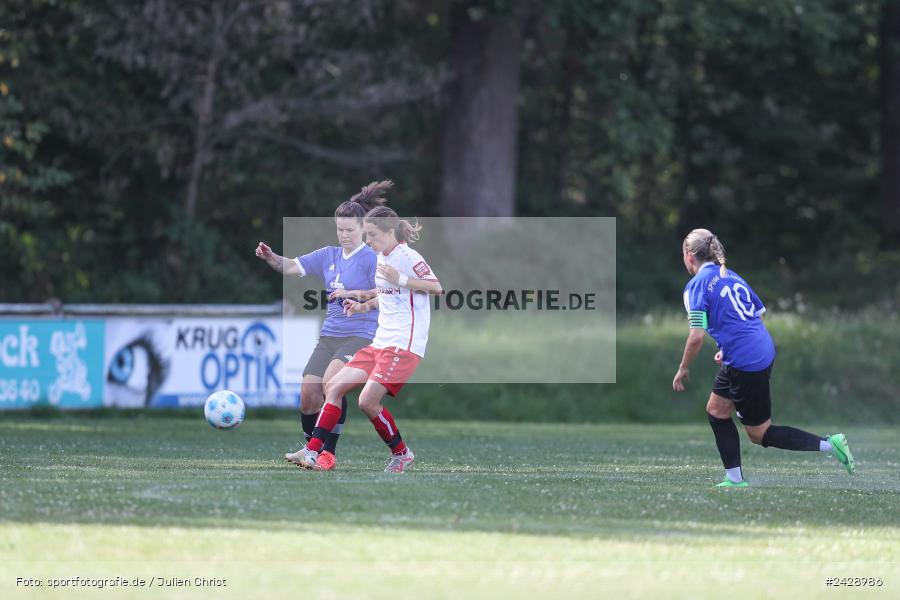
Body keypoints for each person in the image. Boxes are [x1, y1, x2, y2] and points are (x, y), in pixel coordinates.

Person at [672, 228, 855, 487]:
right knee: (716, 410)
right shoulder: (731, 276)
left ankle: (829, 444)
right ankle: (734, 479)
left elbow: (696, 336)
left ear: (689, 256)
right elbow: (754, 315)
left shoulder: (696, 286)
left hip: (746, 360)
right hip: (756, 349)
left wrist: (683, 368)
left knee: (760, 433)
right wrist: (727, 345)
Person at [254, 181, 392, 471]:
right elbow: (290, 266)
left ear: (362, 230)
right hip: (329, 336)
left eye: (349, 230)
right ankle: (311, 449)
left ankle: (326, 453)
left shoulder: (372, 259)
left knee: (332, 385)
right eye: (339, 229)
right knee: (308, 395)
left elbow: (388, 294)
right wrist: (271, 257)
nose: (343, 235)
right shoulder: (328, 255)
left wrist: (360, 299)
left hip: (361, 335)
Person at [293, 206, 442, 473]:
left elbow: (435, 286)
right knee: (334, 386)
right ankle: (313, 451)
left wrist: (403, 278)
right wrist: (361, 305)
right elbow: (386, 294)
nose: (369, 241)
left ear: (388, 232)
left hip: (403, 345)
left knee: (366, 402)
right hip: (380, 343)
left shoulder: (408, 256)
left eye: (372, 235)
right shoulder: (382, 257)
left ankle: (402, 454)